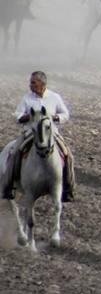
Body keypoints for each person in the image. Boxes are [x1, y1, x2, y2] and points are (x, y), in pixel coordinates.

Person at [1, 71, 74, 203]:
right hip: (30, 133)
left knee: (67, 153)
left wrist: (54, 117)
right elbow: (18, 115)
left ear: (42, 83)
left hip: (50, 133)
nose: (31, 85)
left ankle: (68, 188)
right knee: (15, 152)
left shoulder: (54, 97)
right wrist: (29, 117)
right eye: (31, 82)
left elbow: (65, 114)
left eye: (33, 82)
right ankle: (9, 185)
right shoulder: (27, 98)